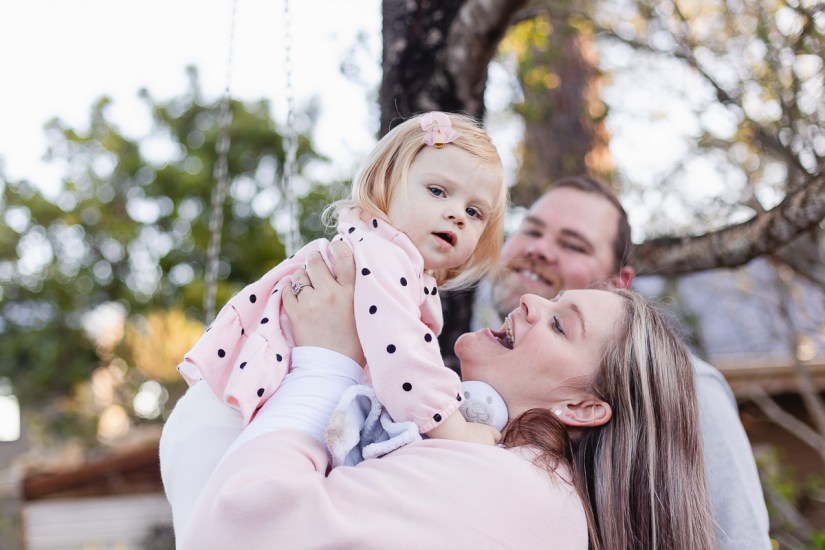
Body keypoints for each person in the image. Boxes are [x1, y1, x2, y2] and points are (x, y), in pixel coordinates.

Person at [161, 241, 716, 549]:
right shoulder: (505, 475)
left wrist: (323, 365)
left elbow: (236, 535)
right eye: (552, 303)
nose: (530, 303)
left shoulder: (517, 488)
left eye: (560, 326)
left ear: (583, 409)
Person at [464, 174, 772, 549]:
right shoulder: (467, 361)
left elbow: (741, 540)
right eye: (531, 230)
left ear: (617, 284)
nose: (540, 249)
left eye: (573, 245)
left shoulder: (684, 389)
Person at [177, 111, 507, 444]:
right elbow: (402, 356)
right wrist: (452, 428)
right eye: (438, 191)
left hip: (237, 411)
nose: (457, 215)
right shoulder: (383, 255)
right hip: (231, 420)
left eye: (474, 212)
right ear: (386, 183)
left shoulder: (392, 257)